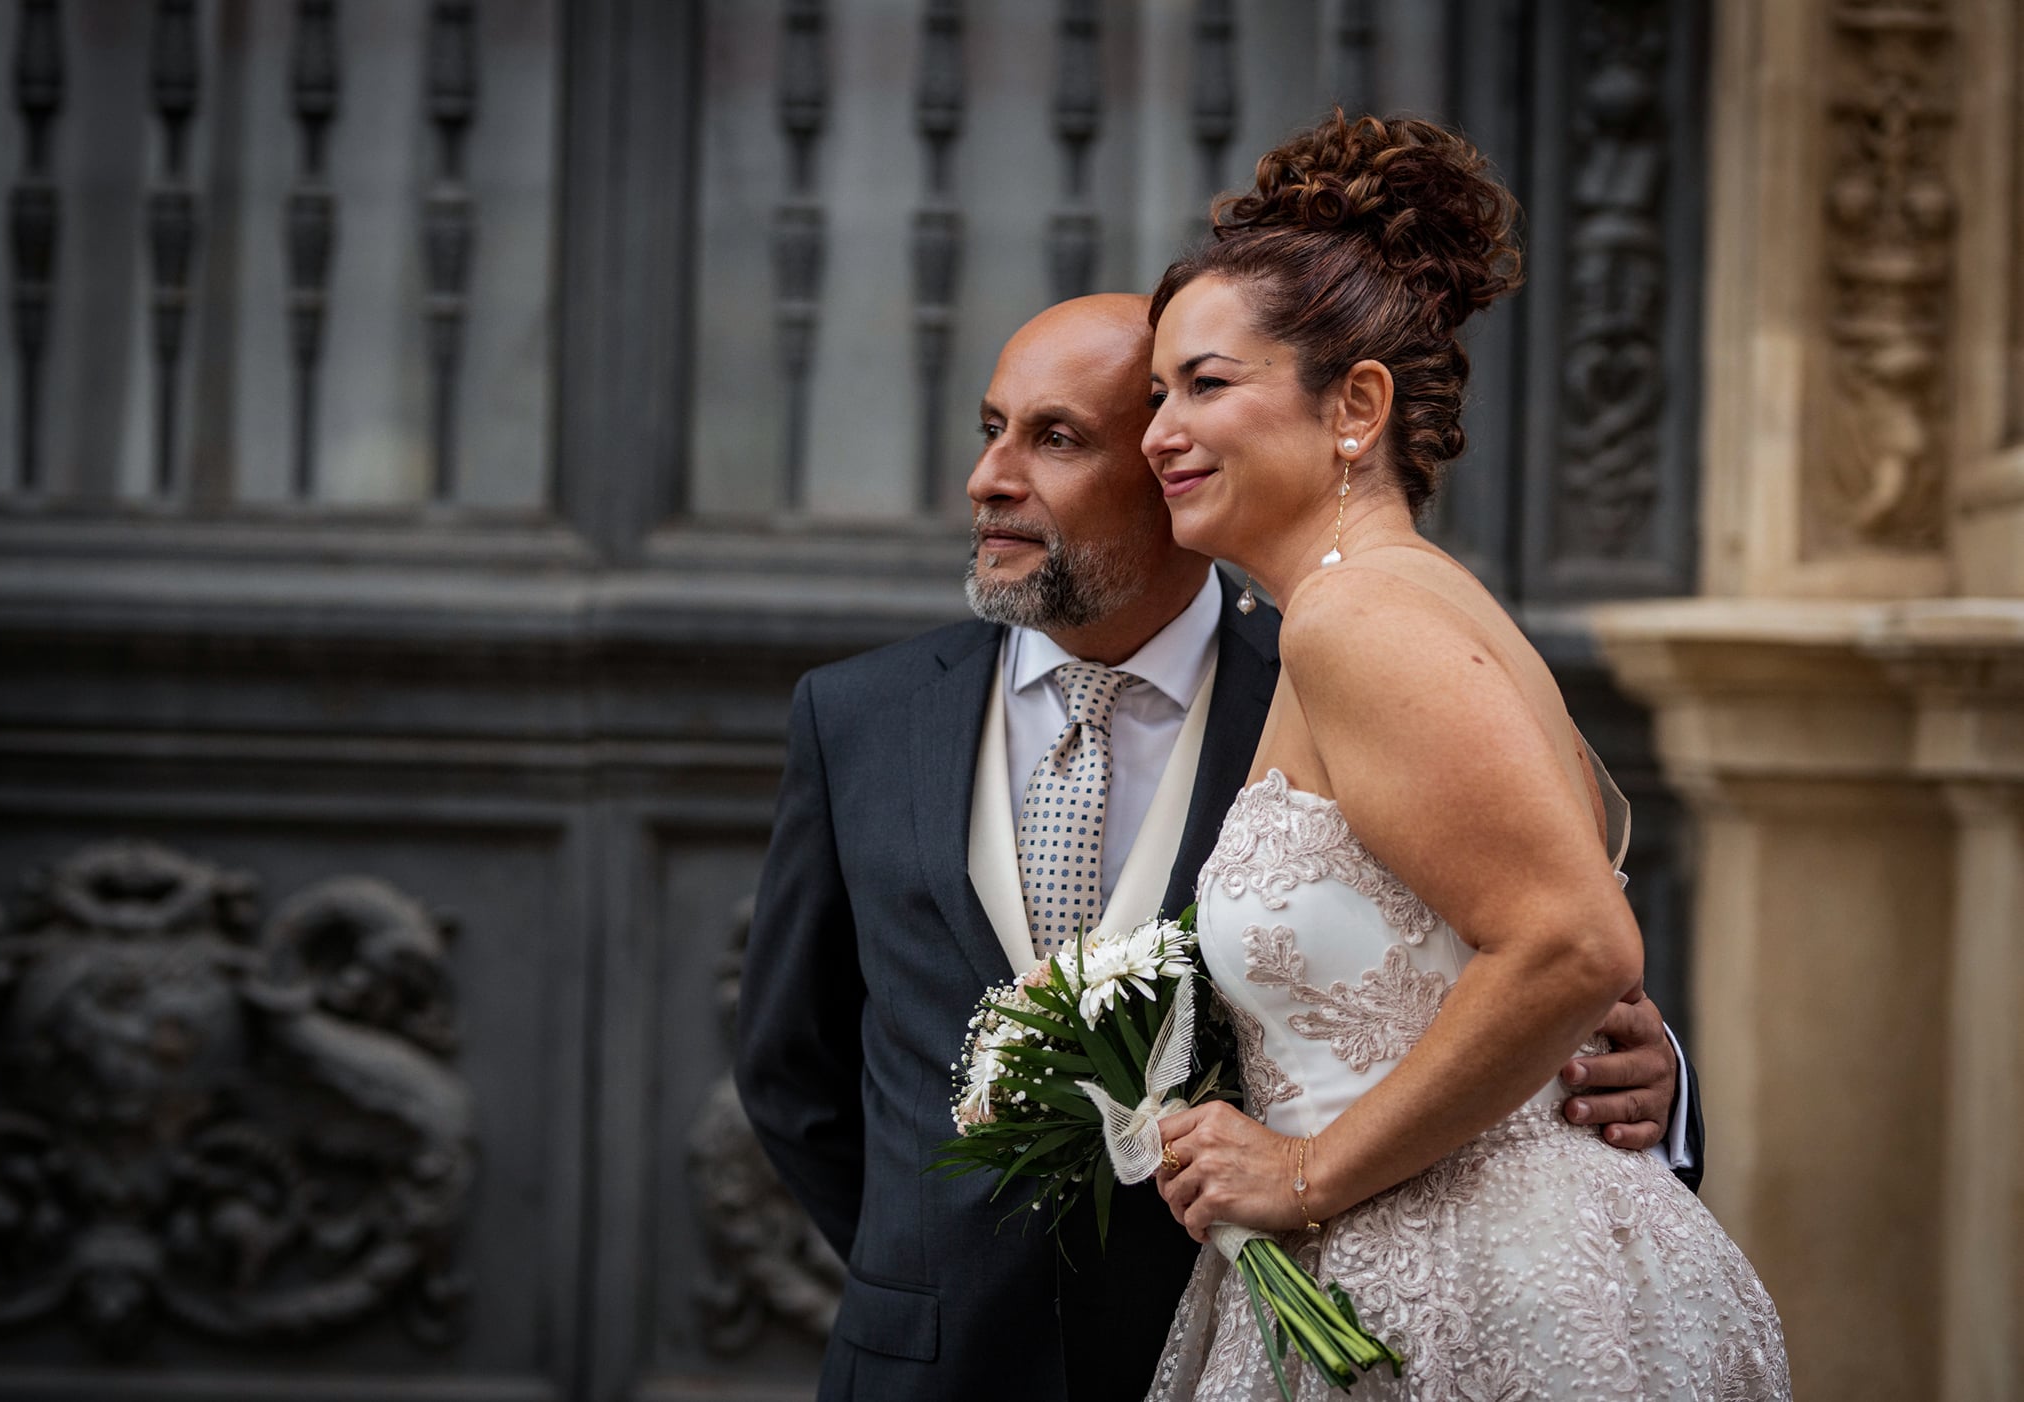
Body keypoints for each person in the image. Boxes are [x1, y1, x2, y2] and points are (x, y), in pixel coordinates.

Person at [735, 295, 1697, 1402]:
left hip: (1263, 1341)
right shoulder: (856, 716)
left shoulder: (1331, 687)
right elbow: (786, 1063)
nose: (988, 478)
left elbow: (1539, 950)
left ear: (1165, 466)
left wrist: (1648, 1088)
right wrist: (924, 1271)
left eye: (1054, 439)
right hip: (930, 1368)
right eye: (989, 428)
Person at [1138, 113, 1788, 1398]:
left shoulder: (1359, 618)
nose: (1158, 430)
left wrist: (1303, 1172)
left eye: (1203, 385)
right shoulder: (1393, 600)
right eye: (1154, 393)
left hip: (1470, 1280)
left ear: (1356, 406)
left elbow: (1573, 941)